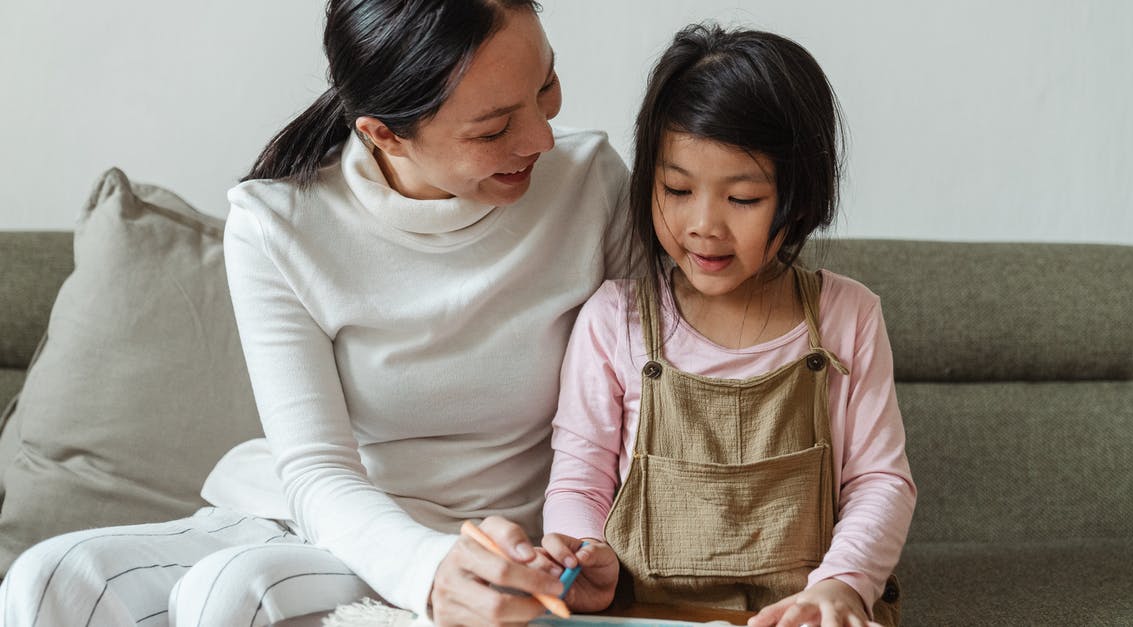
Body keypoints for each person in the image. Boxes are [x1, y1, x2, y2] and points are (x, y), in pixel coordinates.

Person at [0, 1, 630, 625]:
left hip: (490, 536)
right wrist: (429, 570)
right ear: (382, 132)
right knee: (48, 579)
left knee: (232, 592)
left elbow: (651, 396)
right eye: (494, 129)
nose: (543, 137)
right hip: (327, 516)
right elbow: (317, 468)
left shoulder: (591, 182)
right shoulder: (276, 223)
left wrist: (584, 540)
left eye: (545, 84)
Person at [537, 23, 917, 627]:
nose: (703, 224)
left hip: (802, 614)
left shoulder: (848, 316)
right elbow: (578, 480)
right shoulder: (615, 320)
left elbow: (879, 482)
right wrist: (584, 552)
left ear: (801, 195)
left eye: (742, 199)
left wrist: (844, 586)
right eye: (677, 188)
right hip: (648, 615)